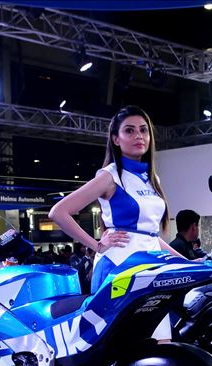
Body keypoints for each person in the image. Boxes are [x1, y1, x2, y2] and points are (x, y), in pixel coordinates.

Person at [48, 105, 183, 338]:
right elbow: (59, 212)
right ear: (116, 139)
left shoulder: (152, 178)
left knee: (159, 339)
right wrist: (97, 245)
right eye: (129, 131)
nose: (138, 136)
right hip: (119, 266)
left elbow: (150, 237)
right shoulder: (109, 176)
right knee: (119, 343)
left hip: (151, 264)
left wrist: (187, 261)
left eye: (143, 130)